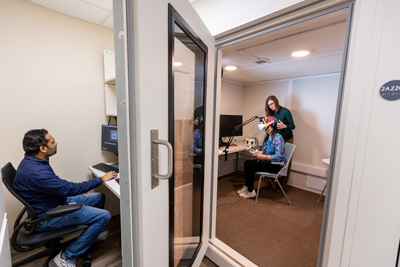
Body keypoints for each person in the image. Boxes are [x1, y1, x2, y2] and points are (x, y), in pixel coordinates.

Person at [13, 129, 118, 267]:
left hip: (53, 201)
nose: (56, 143)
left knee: (98, 197)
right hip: (48, 216)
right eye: (52, 141)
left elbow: (56, 187)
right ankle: (66, 257)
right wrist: (102, 179)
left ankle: (90, 235)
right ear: (43, 148)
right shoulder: (36, 172)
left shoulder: (32, 161)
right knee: (104, 216)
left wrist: (71, 192)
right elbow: (69, 188)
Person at [237, 117, 286, 198]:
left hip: (277, 165)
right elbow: (266, 151)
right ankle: (247, 186)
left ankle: (251, 191)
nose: (265, 129)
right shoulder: (268, 137)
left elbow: (278, 156)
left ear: (272, 126)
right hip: (269, 162)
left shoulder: (278, 137)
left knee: (250, 166)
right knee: (247, 163)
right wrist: (255, 151)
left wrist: (262, 156)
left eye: (266, 127)